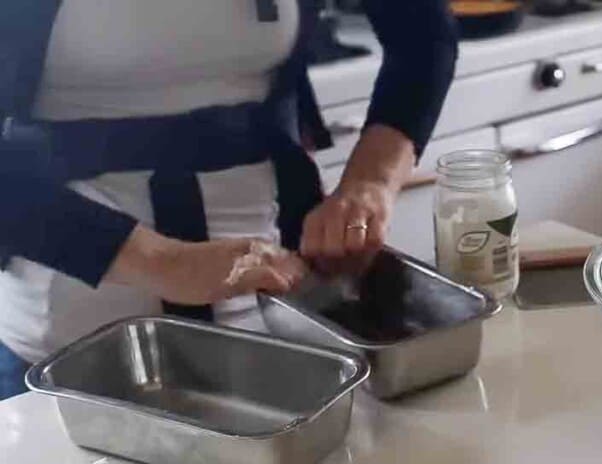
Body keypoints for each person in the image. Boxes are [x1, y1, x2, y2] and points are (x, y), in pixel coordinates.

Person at [0, 0, 458, 399]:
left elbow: (423, 38)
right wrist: (165, 262)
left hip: (280, 311)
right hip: (70, 329)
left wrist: (370, 183)